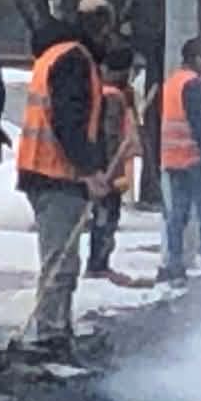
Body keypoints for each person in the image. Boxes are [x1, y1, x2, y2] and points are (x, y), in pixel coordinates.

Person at [15, 0, 112, 362]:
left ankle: (56, 328)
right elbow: (69, 120)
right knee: (61, 260)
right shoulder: (74, 60)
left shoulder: (55, 54)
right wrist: (89, 169)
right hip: (56, 173)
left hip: (43, 171)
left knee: (61, 256)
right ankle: (51, 333)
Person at [158, 37, 201, 284]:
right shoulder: (195, 85)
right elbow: (200, 125)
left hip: (173, 159)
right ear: (196, 59)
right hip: (194, 159)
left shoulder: (172, 82)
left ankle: (175, 265)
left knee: (178, 216)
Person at [85, 47, 141, 279]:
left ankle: (99, 261)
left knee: (106, 214)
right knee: (105, 215)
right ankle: (98, 264)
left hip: (107, 166)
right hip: (107, 168)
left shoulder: (110, 93)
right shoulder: (112, 97)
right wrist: (107, 172)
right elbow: (109, 136)